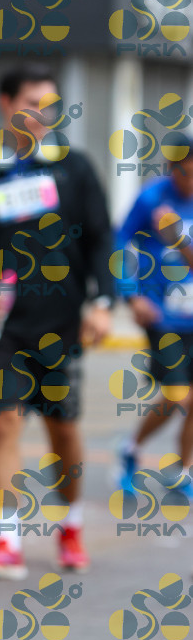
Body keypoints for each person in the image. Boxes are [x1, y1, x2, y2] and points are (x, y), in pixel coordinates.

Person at [0, 65, 114, 579]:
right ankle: (7, 541)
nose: (41, 115)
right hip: (0, 327)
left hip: (59, 326)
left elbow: (101, 239)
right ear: (6, 104)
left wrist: (103, 302)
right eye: (31, 104)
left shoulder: (74, 168)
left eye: (49, 105)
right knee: (2, 422)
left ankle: (71, 523)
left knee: (64, 431)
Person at [115, 135, 193, 499]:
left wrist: (178, 239)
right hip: (162, 314)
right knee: (177, 394)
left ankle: (183, 471)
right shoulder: (151, 198)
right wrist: (131, 295)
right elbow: (118, 242)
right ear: (171, 169)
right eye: (183, 173)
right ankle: (131, 449)